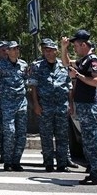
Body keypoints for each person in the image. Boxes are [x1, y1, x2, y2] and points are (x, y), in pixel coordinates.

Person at [63, 30, 97, 185]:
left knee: (92, 141)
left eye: (75, 45)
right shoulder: (84, 60)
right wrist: (64, 48)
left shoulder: (93, 60)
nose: (75, 48)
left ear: (83, 44)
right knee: (89, 141)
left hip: (89, 105)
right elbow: (66, 63)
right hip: (83, 105)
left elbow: (96, 81)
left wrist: (78, 76)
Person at [29, 38, 71, 172]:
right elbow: (33, 87)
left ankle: (62, 164)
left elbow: (69, 86)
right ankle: (48, 163)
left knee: (62, 136)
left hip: (61, 105)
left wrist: (71, 104)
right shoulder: (37, 66)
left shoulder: (64, 65)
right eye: (45, 50)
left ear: (56, 51)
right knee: (46, 136)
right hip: (45, 106)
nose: (47, 53)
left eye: (49, 50)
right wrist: (36, 104)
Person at [0, 40, 29, 171]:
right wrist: (2, 95)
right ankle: (7, 161)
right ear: (7, 51)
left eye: (17, 48)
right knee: (10, 132)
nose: (15, 51)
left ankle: (16, 161)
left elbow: (26, 81)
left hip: (21, 103)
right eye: (12, 49)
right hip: (7, 104)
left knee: (21, 133)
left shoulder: (23, 65)